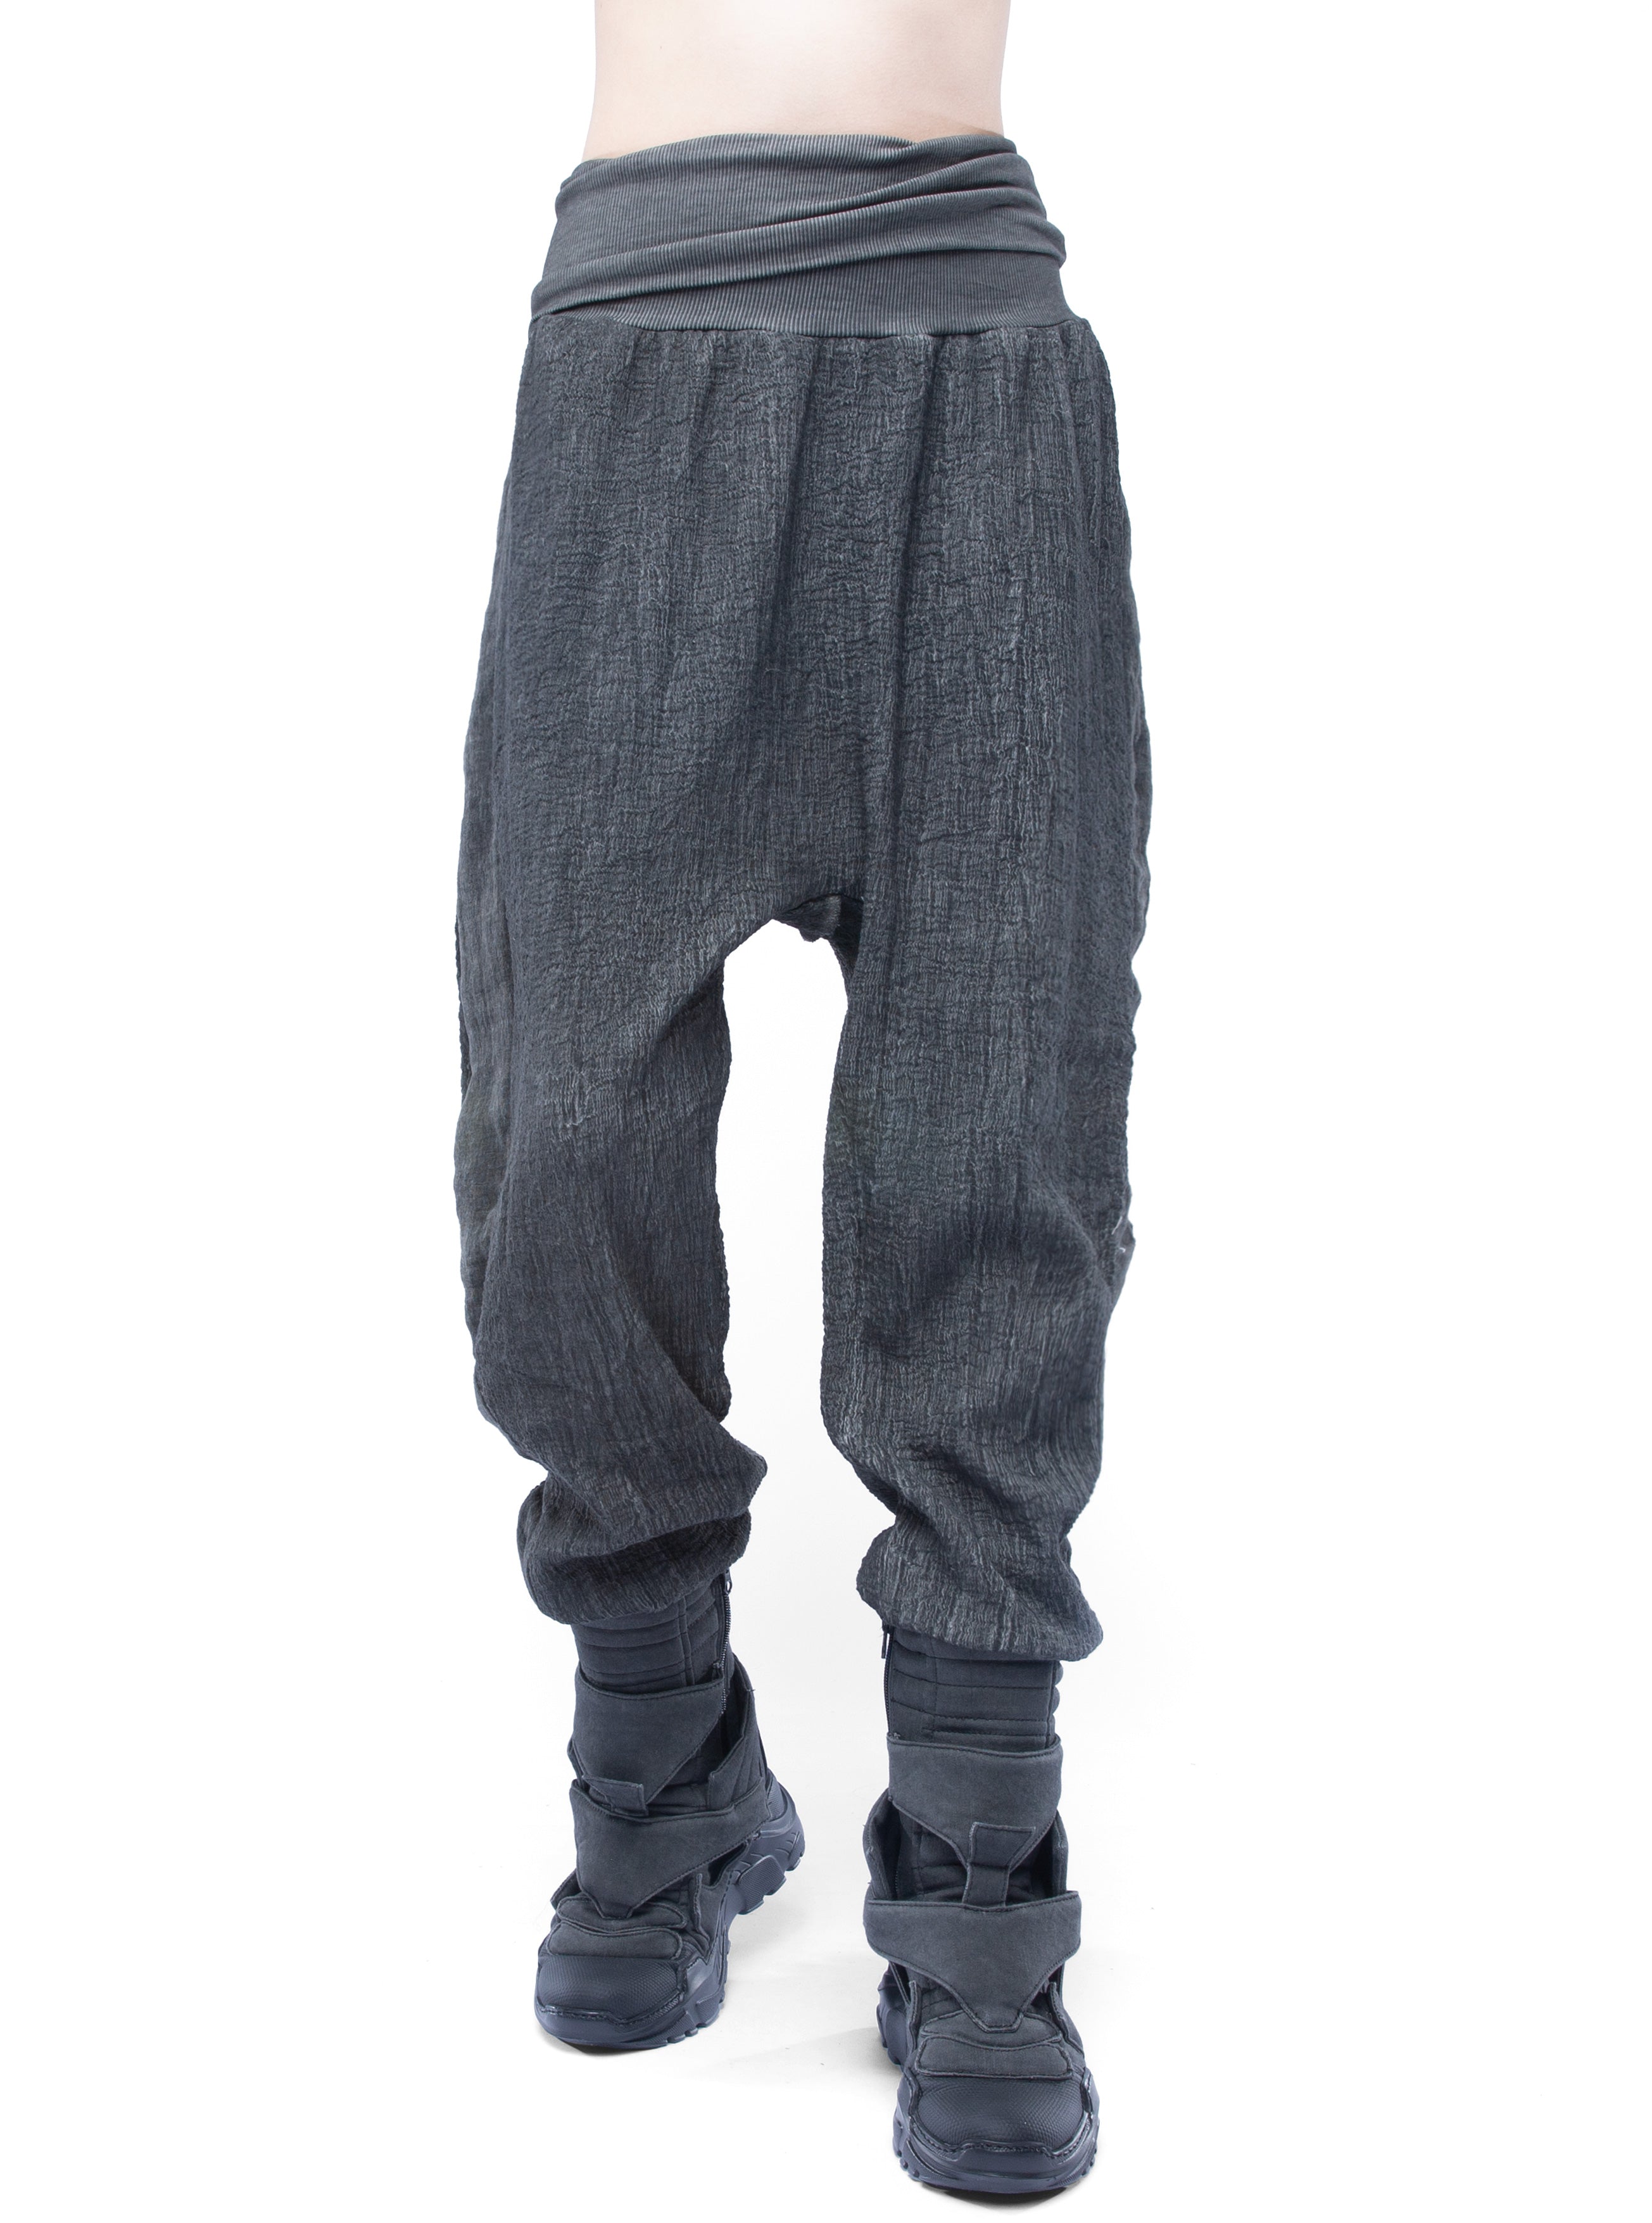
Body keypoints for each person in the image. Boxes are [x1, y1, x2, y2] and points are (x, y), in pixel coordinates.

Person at [453, 0, 1151, 2194]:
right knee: (563, 1123)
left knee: (999, 1119)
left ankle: (976, 1855)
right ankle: (660, 1748)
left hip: (977, 378)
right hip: (633, 366)